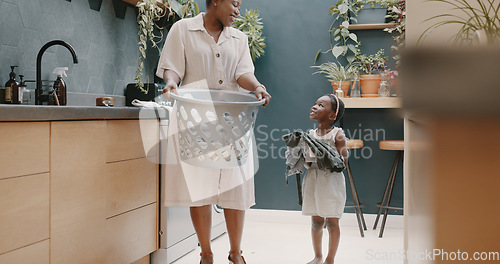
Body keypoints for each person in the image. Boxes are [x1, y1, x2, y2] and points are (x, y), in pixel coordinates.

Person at [155, 0, 271, 263]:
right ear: (215, 1)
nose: (237, 10)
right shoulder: (183, 29)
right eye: (234, 3)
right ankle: (206, 254)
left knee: (235, 188)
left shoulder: (239, 38)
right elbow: (173, 67)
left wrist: (257, 86)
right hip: (195, 118)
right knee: (200, 189)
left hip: (233, 121)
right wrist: (171, 83)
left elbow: (243, 73)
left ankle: (235, 253)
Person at [304, 94, 348, 264]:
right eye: (315, 103)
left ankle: (330, 259)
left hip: (330, 183)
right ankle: (318, 256)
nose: (314, 107)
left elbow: (343, 162)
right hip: (314, 181)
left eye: (321, 105)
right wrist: (300, 153)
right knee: (316, 221)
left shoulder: (337, 135)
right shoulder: (310, 134)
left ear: (332, 115)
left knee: (332, 222)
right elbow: (308, 162)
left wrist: (327, 156)